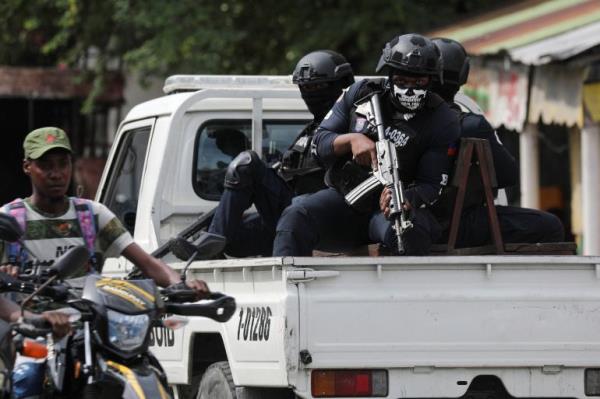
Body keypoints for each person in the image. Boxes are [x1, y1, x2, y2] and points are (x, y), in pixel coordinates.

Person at [273, 34, 461, 256]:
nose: (410, 88)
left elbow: (431, 185)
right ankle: (291, 284)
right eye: (402, 81)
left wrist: (406, 197)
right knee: (296, 215)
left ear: (431, 80)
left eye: (419, 82)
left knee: (408, 234)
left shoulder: (441, 119)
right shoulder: (362, 93)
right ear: (390, 75)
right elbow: (320, 143)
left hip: (388, 212)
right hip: (345, 202)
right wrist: (352, 140)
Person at [207, 50, 355, 256]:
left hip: (323, 215)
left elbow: (323, 159)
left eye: (318, 86)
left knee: (247, 163)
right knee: (230, 237)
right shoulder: (314, 128)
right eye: (306, 88)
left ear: (342, 83)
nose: (312, 94)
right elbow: (289, 166)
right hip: (292, 209)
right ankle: (212, 244)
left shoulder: (354, 125)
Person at [430, 37, 564, 246]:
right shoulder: (472, 126)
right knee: (551, 226)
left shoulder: (397, 121)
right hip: (457, 227)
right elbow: (507, 175)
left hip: (414, 226)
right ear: (463, 75)